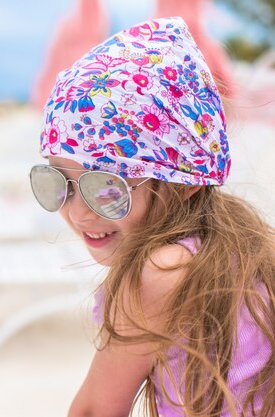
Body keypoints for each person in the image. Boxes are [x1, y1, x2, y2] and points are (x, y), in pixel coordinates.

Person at [29, 17, 275, 417]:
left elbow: (95, 410)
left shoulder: (160, 273)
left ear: (185, 180)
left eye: (106, 187)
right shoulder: (248, 249)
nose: (76, 212)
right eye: (58, 182)